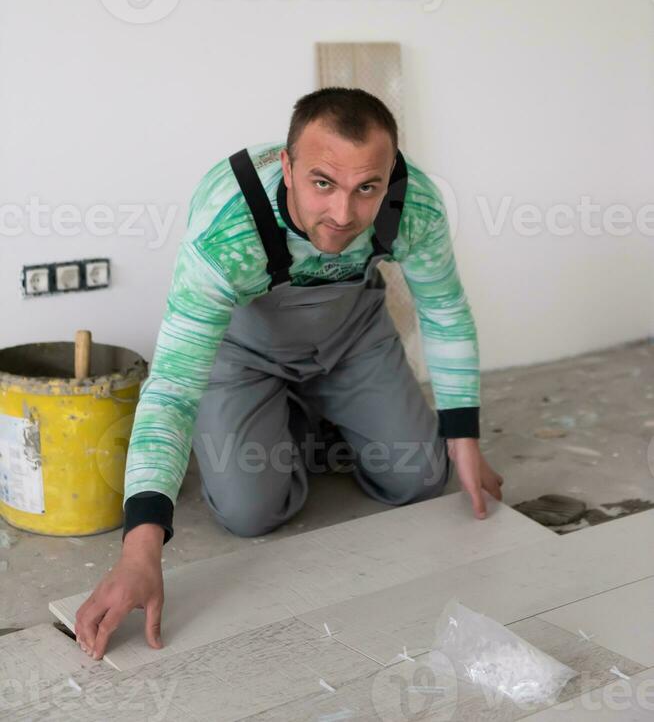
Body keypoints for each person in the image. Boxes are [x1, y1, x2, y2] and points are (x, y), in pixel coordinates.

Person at [75, 87, 503, 660]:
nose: (344, 214)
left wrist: (464, 437)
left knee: (421, 479)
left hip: (352, 339)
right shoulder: (227, 225)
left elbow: (444, 310)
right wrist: (139, 551)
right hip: (244, 353)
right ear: (287, 165)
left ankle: (311, 419)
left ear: (390, 173)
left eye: (366, 188)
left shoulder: (415, 203)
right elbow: (174, 388)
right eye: (323, 183)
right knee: (250, 513)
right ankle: (282, 418)